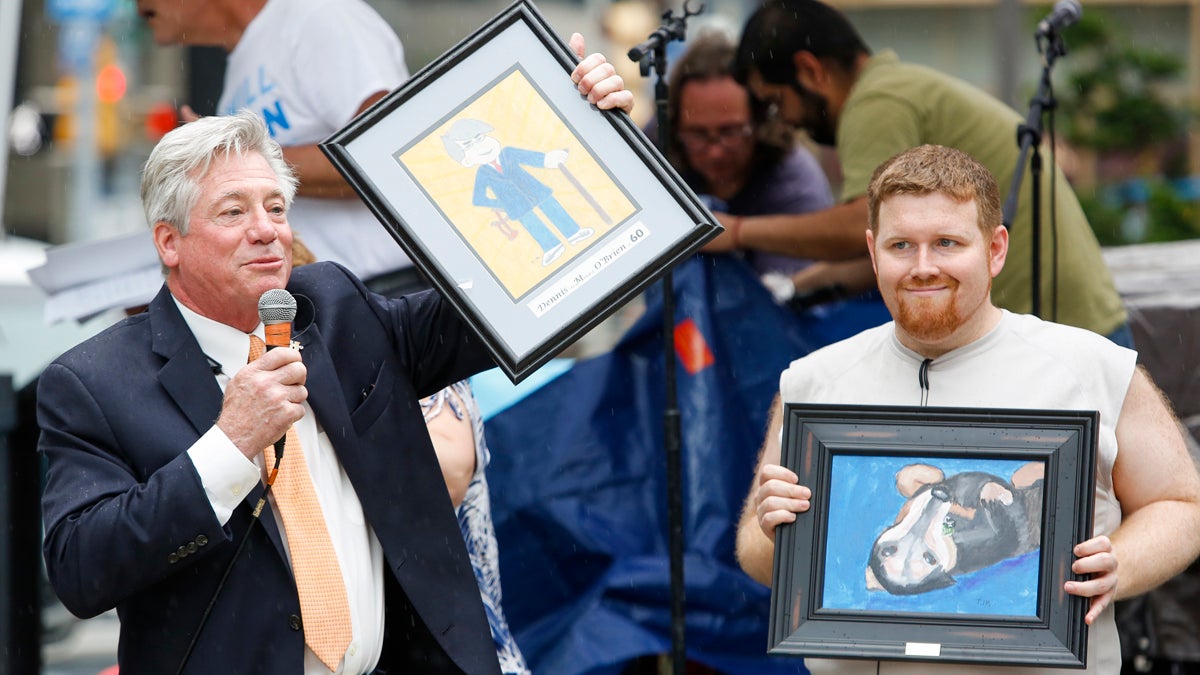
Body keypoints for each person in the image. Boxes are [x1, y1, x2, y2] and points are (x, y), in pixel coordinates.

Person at [38, 80, 627, 674]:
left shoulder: (336, 307)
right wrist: (229, 445)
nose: (266, 229)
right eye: (233, 212)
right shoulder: (94, 382)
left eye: (275, 208)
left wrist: (591, 132)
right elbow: (82, 571)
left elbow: (499, 300)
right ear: (170, 241)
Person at [734, 144, 1200, 674]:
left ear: (995, 249)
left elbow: (1184, 505)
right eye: (901, 245)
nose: (923, 266)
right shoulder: (814, 382)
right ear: (872, 251)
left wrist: (1123, 563)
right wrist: (774, 533)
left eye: (948, 243)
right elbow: (755, 547)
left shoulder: (1094, 369)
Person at [704, 0, 1131, 346]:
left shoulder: (876, 103)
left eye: (776, 101)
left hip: (1056, 335)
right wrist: (803, 286)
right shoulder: (901, 87)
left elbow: (858, 225)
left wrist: (736, 231)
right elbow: (900, 249)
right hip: (1082, 321)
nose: (786, 122)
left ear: (810, 71)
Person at [662, 28, 888, 347]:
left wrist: (736, 233)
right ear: (674, 127)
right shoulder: (656, 153)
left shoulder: (796, 181)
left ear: (761, 123)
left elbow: (787, 306)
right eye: (698, 134)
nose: (714, 151)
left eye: (730, 132)